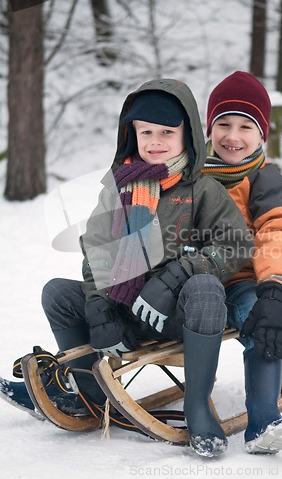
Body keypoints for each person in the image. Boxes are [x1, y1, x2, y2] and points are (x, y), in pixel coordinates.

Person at [0, 78, 253, 458]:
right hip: (126, 313)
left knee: (205, 288)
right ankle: (90, 395)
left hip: (179, 315)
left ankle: (198, 407)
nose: (155, 140)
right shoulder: (116, 188)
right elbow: (96, 251)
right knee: (57, 292)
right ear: (131, 134)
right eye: (145, 131)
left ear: (189, 135)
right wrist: (101, 306)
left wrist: (178, 273)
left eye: (167, 132)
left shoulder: (202, 189)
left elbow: (235, 244)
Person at [202, 70, 282, 454]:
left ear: (262, 135)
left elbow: (279, 232)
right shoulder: (193, 179)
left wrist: (276, 288)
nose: (233, 136)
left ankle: (263, 419)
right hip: (196, 285)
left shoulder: (265, 180)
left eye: (246, 126)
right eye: (223, 123)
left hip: (246, 281)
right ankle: (79, 386)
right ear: (208, 129)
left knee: (259, 314)